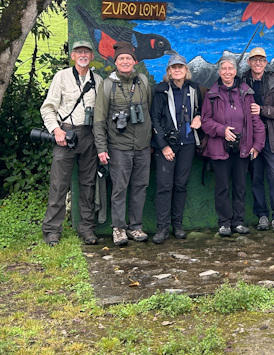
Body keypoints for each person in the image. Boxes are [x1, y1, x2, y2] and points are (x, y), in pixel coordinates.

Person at [38, 40, 102, 246]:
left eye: (87, 52)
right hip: (65, 133)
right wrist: (56, 130)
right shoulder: (62, 77)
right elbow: (47, 108)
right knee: (59, 184)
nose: (83, 55)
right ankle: (51, 230)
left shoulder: (98, 80)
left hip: (89, 135)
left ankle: (87, 228)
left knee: (88, 184)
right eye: (79, 52)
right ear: (73, 56)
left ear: (92, 57)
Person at [94, 43, 153, 247]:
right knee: (120, 187)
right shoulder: (107, 85)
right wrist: (101, 148)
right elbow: (99, 118)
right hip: (118, 146)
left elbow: (149, 111)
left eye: (129, 58)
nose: (125, 62)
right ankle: (118, 228)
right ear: (115, 62)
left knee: (140, 186)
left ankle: (135, 226)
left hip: (143, 146)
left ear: (135, 61)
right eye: (121, 59)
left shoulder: (143, 81)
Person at [201, 55, 264, 237]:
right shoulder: (212, 95)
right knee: (222, 187)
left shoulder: (246, 92)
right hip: (219, 148)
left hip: (243, 147)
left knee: (240, 186)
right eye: (224, 69)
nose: (227, 72)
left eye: (230, 69)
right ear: (219, 72)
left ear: (236, 71)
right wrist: (222, 130)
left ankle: (238, 221)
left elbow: (256, 121)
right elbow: (205, 121)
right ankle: (224, 223)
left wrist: (257, 145)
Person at [150, 55, 203, 244]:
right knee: (164, 186)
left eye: (180, 67)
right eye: (174, 67)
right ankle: (162, 227)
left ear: (186, 70)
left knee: (181, 185)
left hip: (187, 144)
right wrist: (163, 145)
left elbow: (200, 110)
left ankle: (177, 225)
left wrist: (199, 118)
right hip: (166, 146)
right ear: (169, 71)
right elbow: (154, 119)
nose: (177, 70)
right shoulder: (160, 91)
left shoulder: (194, 89)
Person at [240, 47, 274, 233]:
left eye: (261, 60)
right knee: (256, 178)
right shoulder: (242, 82)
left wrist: (263, 110)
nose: (258, 63)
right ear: (249, 62)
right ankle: (262, 215)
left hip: (273, 138)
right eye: (254, 60)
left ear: (266, 62)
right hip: (251, 139)